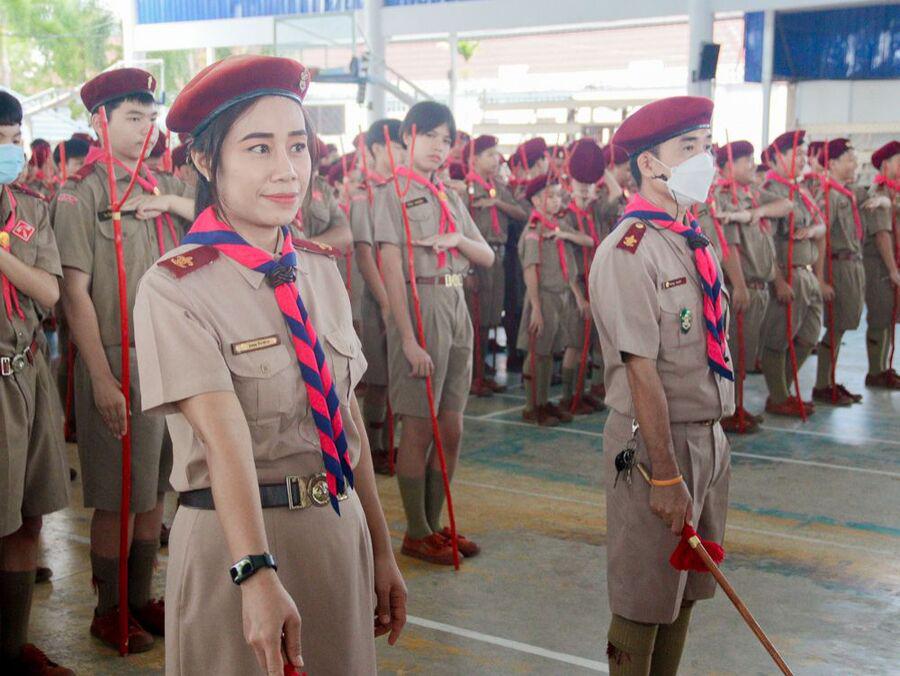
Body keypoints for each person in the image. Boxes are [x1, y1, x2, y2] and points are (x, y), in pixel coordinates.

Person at [135, 54, 406, 676]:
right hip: (237, 548)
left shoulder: (320, 270)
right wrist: (254, 572)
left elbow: (346, 421)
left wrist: (380, 545)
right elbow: (223, 438)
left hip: (335, 532)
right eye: (259, 148)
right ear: (207, 160)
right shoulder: (175, 288)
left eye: (298, 146)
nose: (287, 170)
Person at [51, 67, 196, 651]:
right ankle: (108, 608)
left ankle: (140, 599)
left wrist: (168, 199)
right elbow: (74, 294)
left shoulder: (160, 185)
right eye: (133, 117)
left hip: (167, 357)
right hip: (117, 359)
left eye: (150, 117)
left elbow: (212, 220)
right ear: (100, 122)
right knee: (117, 496)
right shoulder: (81, 193)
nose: (146, 128)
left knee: (155, 489)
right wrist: (101, 378)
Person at [589, 95, 734, 675]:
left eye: (708, 146)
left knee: (686, 585)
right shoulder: (630, 250)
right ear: (650, 164)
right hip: (656, 446)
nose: (705, 159)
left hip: (706, 437)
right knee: (643, 597)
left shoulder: (691, 236)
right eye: (689, 147)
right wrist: (668, 473)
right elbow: (640, 368)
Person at [374, 100, 494, 565]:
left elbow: (485, 255)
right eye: (430, 136)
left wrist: (457, 239)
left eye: (447, 140)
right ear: (407, 136)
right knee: (419, 428)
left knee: (451, 427)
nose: (439, 147)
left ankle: (435, 521)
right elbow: (390, 269)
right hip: (420, 305)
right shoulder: (392, 194)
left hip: (455, 303)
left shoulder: (449, 195)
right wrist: (407, 338)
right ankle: (416, 531)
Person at [0, 90, 73, 676]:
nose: (12, 149)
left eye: (15, 137)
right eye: (1, 139)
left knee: (28, 518)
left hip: (27, 375)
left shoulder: (28, 209)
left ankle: (13, 645)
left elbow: (49, 292)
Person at [712, 141, 792, 432]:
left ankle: (736, 405)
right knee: (734, 351)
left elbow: (787, 205)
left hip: (760, 286)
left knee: (746, 352)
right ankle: (725, 410)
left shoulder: (752, 195)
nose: (752, 165)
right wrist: (739, 285)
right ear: (726, 166)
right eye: (745, 160)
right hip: (742, 286)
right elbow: (728, 245)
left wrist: (757, 212)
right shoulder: (722, 198)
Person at [758, 131, 826, 417]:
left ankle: (782, 391)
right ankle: (779, 396)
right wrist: (778, 280)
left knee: (809, 336)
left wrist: (812, 230)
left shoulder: (800, 190)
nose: (802, 160)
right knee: (778, 338)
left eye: (804, 155)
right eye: (796, 155)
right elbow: (765, 242)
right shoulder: (770, 192)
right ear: (776, 158)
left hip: (807, 274)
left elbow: (822, 225)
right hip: (788, 275)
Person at [517, 174, 590, 425]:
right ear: (537, 201)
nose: (558, 200)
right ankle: (531, 406)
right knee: (536, 351)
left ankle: (543, 401)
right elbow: (530, 270)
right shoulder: (533, 230)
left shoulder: (556, 225)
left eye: (559, 195)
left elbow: (588, 240)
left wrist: (563, 235)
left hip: (561, 296)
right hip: (543, 297)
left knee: (548, 353)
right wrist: (536, 308)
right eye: (552, 196)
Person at [462, 135, 527, 396]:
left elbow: (522, 214)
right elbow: (461, 231)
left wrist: (497, 203)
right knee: (475, 319)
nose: (496, 159)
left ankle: (482, 372)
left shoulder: (498, 188)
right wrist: (468, 269)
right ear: (474, 159)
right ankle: (472, 376)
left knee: (490, 319)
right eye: (489, 154)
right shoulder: (466, 190)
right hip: (477, 259)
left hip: (498, 257)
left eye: (496, 154)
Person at [355, 119, 403, 473]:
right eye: (396, 147)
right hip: (375, 299)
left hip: (398, 294)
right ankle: (373, 447)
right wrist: (387, 303)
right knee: (378, 379)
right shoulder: (364, 193)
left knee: (396, 376)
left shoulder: (399, 190)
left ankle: (388, 442)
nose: (402, 154)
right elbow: (364, 253)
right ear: (374, 149)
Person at [812, 138, 869, 405]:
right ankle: (823, 385)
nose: (854, 164)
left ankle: (829, 381)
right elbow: (821, 237)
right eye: (849, 159)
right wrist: (821, 279)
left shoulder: (845, 193)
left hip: (852, 264)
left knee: (842, 326)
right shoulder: (828, 195)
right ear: (832, 163)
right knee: (835, 326)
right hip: (837, 266)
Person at [560, 139, 609, 413]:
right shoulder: (564, 215)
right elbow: (566, 262)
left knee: (594, 343)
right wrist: (579, 298)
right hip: (577, 288)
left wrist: (599, 166)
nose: (585, 188)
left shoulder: (596, 211)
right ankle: (568, 397)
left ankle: (586, 391)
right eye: (580, 182)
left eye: (589, 183)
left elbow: (616, 194)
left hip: (597, 284)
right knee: (576, 345)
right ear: (570, 182)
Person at [862, 140, 900, 388]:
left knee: (888, 318)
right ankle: (875, 371)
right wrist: (893, 270)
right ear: (885, 165)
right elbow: (882, 235)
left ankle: (884, 368)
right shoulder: (878, 194)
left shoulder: (893, 194)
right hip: (879, 265)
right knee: (879, 316)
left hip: (891, 264)